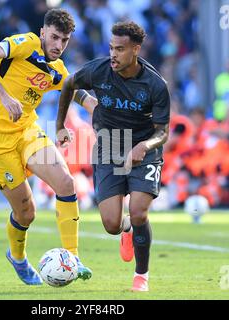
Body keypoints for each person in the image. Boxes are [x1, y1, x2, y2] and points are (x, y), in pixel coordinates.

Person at [0, 8, 96, 285]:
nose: (58, 45)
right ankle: (17, 257)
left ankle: (73, 259)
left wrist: (94, 107)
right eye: (54, 37)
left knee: (65, 182)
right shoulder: (23, 44)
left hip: (26, 131)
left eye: (64, 40)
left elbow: (73, 90)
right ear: (42, 33)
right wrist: (3, 96)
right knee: (27, 212)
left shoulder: (56, 69)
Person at [56, 21, 170, 292]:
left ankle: (141, 276)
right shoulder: (98, 71)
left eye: (120, 49)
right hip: (108, 148)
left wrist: (145, 146)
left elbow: (163, 131)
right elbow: (69, 84)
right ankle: (127, 228)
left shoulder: (155, 84)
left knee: (140, 211)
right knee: (110, 224)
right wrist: (60, 125)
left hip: (143, 151)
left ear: (135, 50)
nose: (113, 54)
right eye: (111, 48)